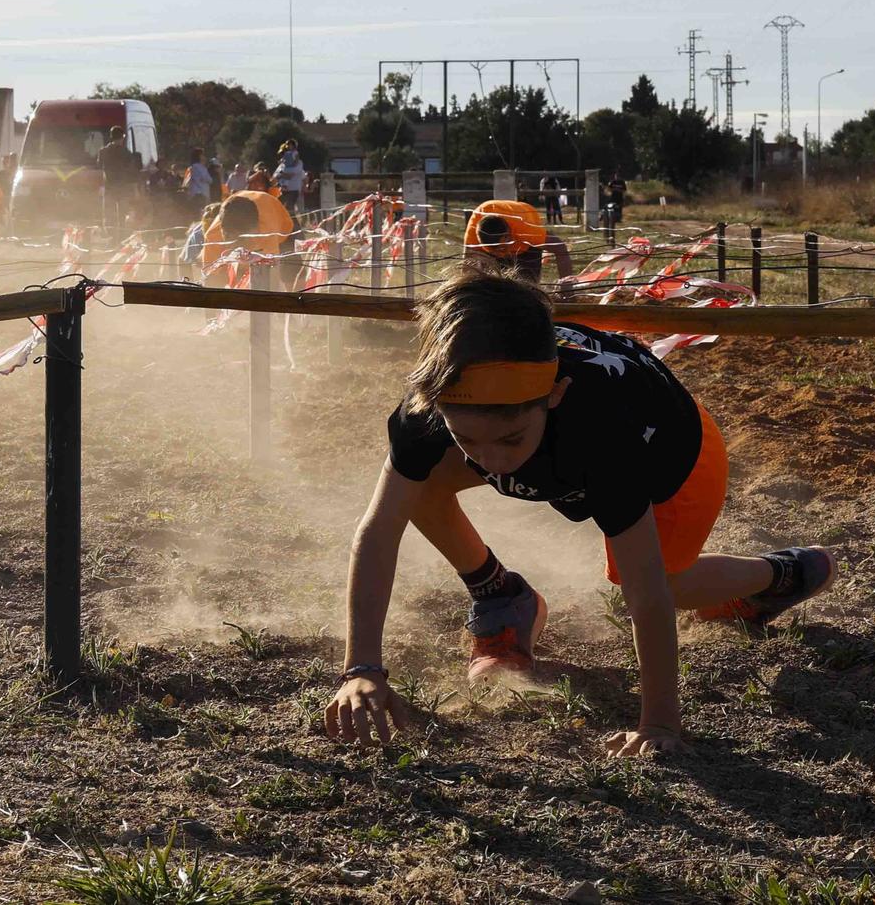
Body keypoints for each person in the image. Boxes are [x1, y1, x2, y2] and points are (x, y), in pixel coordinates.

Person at [323, 272, 836, 754]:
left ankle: (777, 575)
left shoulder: (601, 430)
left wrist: (657, 723)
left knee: (666, 584)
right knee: (419, 485)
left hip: (676, 454)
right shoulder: (429, 407)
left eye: (509, 439)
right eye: (465, 438)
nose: (491, 463)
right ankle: (503, 598)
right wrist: (361, 668)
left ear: (555, 393)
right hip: (565, 432)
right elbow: (378, 530)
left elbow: (645, 589)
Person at [199, 189, 295, 286]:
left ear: (257, 228)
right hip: (243, 205)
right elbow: (211, 282)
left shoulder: (267, 233)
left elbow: (270, 284)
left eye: (246, 242)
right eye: (236, 243)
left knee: (290, 272)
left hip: (283, 223)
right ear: (224, 233)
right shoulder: (213, 238)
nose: (242, 249)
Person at [464, 200, 574, 283]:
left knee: (527, 286)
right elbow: (467, 267)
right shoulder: (473, 234)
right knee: (490, 283)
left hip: (525, 235)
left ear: (508, 236)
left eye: (502, 249)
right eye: (493, 251)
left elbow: (559, 247)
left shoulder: (526, 230)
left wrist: (567, 286)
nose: (501, 255)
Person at [97, 127, 137, 226]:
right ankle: (122, 237)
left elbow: (99, 167)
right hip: (122, 187)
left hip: (109, 187)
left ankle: (111, 237)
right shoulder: (125, 152)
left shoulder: (103, 151)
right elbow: (132, 170)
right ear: (122, 137)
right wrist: (135, 188)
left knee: (109, 215)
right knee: (123, 215)